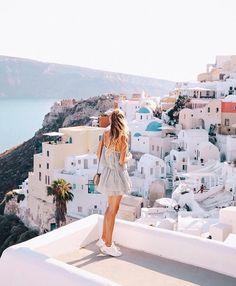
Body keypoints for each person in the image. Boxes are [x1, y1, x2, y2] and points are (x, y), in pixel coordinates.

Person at [95, 109, 132, 257]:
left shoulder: (105, 134)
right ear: (122, 120)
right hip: (117, 176)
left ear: (112, 120)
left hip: (107, 174)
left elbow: (98, 154)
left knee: (109, 209)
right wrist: (129, 156)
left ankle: (103, 238)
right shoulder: (123, 137)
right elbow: (123, 160)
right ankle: (108, 245)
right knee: (113, 210)